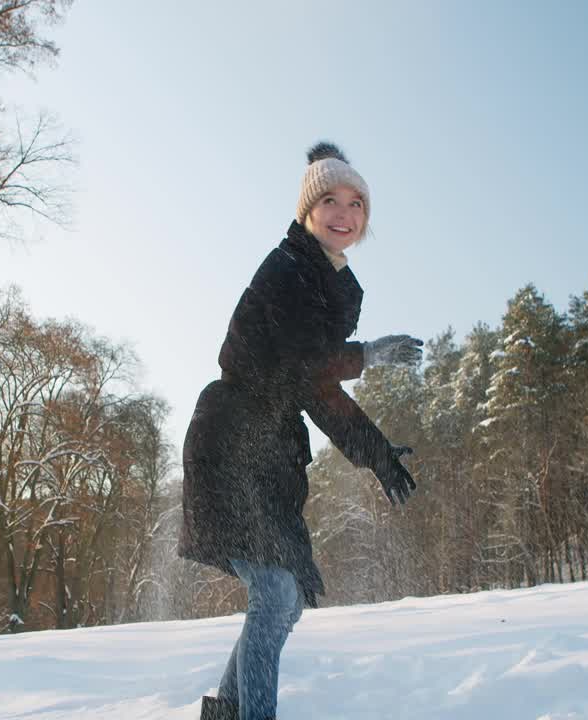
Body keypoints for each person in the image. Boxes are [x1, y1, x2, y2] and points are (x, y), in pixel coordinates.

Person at [179, 142, 423, 720]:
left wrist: (379, 455)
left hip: (273, 450)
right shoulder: (285, 268)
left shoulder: (343, 287)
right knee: (274, 592)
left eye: (356, 202)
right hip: (232, 439)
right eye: (330, 200)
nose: (345, 212)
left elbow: (318, 393)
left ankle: (227, 711)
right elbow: (301, 362)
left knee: (285, 600)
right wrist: (365, 355)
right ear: (306, 210)